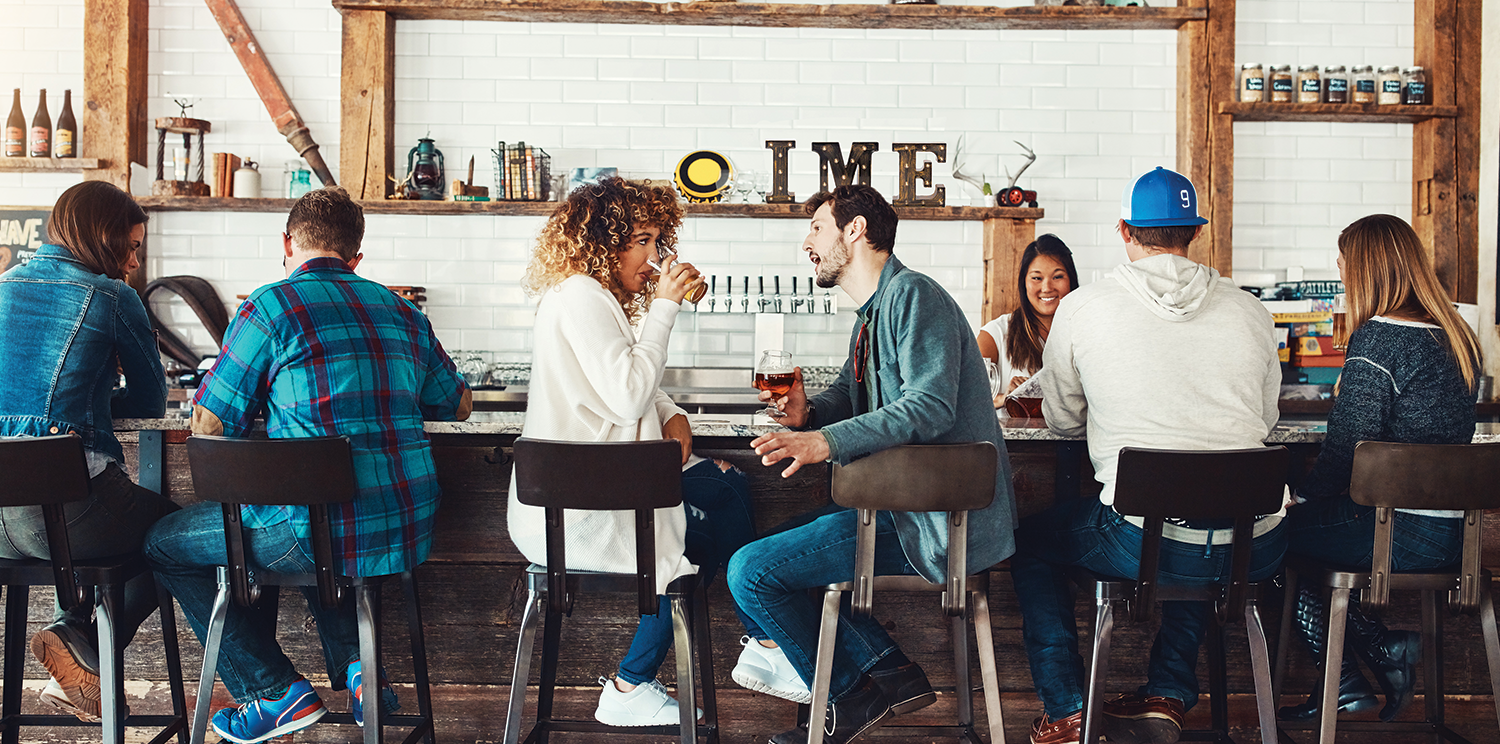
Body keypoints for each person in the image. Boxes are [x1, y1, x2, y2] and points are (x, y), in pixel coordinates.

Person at [143, 187, 471, 744]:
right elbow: (458, 405)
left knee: (166, 544)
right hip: (403, 526)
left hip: (315, 531)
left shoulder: (271, 305)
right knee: (316, 530)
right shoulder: (401, 310)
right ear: (357, 257)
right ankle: (360, 670)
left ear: (287, 243)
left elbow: (209, 423)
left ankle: (272, 690)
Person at [729, 184, 1017, 744]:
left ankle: (850, 696)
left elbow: (930, 406)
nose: (807, 241)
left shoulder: (913, 296)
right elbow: (847, 391)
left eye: (817, 227)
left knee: (752, 573)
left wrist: (823, 442)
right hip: (899, 511)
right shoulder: (871, 314)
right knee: (775, 546)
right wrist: (807, 413)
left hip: (938, 525)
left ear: (854, 230)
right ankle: (889, 673)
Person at [1024, 167, 1287, 744]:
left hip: (1143, 539)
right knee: (1204, 510)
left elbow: (1062, 420)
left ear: (1124, 229)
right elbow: (1266, 423)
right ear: (1195, 231)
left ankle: (1068, 710)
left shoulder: (1083, 308)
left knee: (1030, 546)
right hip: (1256, 544)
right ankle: (1167, 690)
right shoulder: (1250, 310)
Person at [508, 176, 758, 727]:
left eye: (655, 241)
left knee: (710, 523)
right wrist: (664, 308)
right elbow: (624, 393)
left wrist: (669, 409)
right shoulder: (581, 294)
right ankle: (759, 640)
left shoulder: (587, 296)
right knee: (724, 492)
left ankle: (633, 682)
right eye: (641, 241)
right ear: (603, 241)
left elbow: (613, 370)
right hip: (583, 515)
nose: (654, 256)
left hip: (581, 499)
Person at [1278, 214, 1481, 724]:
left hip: (1396, 531)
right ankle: (1381, 652)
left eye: (1344, 263)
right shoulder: (1456, 336)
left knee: (1264, 539)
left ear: (1365, 271)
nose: (1341, 273)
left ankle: (1350, 678)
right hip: (1457, 537)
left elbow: (1347, 450)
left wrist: (1298, 498)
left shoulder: (1380, 340)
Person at [0, 181, 174, 721]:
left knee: (84, 547)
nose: (136, 258)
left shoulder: (2, 286)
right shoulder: (110, 295)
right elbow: (150, 398)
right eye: (133, 244)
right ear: (106, 237)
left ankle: (76, 663)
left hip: (0, 523)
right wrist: (101, 394)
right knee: (181, 538)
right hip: (68, 513)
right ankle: (75, 636)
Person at [977, 234, 1079, 406]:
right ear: (1024, 283)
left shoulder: (1086, 332)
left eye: (1057, 277)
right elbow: (967, 398)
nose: (1047, 288)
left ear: (1071, 281)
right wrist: (1004, 398)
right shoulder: (995, 334)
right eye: (1037, 278)